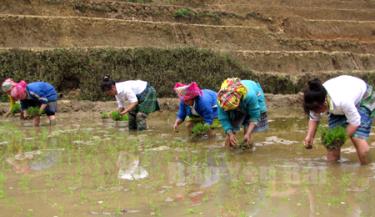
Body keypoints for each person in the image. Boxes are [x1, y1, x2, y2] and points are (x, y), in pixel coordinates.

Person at [303, 75, 374, 165]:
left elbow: (355, 122)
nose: (316, 112)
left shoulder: (343, 101)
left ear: (324, 102)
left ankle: (367, 170)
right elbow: (314, 117)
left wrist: (340, 137)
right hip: (338, 104)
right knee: (332, 145)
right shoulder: (315, 99)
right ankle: (333, 173)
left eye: (317, 110)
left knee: (357, 138)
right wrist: (310, 136)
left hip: (363, 97)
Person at [217, 78, 268, 147]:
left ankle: (248, 149)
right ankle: (229, 151)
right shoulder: (221, 100)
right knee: (230, 134)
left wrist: (248, 133)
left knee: (247, 131)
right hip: (238, 101)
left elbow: (254, 117)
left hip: (253, 93)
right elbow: (223, 118)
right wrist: (230, 133)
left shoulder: (250, 96)